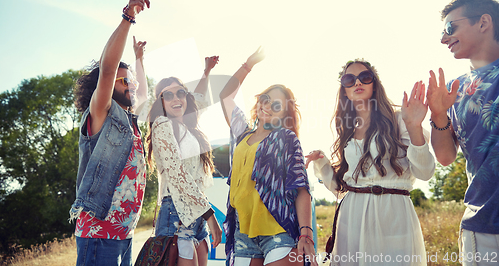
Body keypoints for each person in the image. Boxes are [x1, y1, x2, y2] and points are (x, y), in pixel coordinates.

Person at [306, 59, 435, 266]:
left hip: (393, 214)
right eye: (349, 79)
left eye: (364, 77)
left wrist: (414, 127)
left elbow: (425, 172)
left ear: (374, 83)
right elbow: (342, 187)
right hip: (352, 216)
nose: (357, 83)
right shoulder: (347, 129)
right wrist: (322, 163)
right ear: (345, 90)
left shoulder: (400, 119)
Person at [70, 0, 150, 266]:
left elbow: (143, 94)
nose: (130, 85)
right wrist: (129, 16)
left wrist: (139, 58)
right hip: (99, 232)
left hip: (122, 233)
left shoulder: (130, 121)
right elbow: (108, 69)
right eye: (123, 80)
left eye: (131, 80)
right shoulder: (102, 112)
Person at [219, 47, 316, 266]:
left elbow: (301, 188)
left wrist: (305, 233)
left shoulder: (286, 139)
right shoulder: (242, 134)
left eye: (276, 105)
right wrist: (247, 65)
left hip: (279, 230)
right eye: (265, 99)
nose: (267, 106)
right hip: (243, 232)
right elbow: (225, 96)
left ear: (284, 113)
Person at [427, 0, 499, 265]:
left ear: (483, 23)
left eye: (450, 28)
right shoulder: (453, 90)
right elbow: (445, 157)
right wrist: (438, 114)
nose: (444, 39)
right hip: (480, 227)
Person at [145, 56, 222, 266]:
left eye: (180, 92)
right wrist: (210, 215)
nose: (175, 98)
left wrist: (206, 72)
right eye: (167, 95)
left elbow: (200, 99)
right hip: (175, 214)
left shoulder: (189, 128)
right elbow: (178, 175)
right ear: (160, 101)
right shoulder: (162, 125)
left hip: (197, 215)